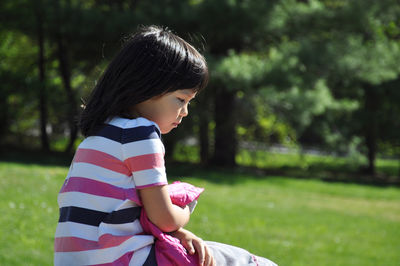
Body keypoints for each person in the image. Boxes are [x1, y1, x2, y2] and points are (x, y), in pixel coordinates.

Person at [54, 25, 277, 266]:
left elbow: (121, 217)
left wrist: (177, 234)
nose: (185, 112)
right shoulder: (140, 133)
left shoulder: (97, 136)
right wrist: (186, 211)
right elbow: (164, 218)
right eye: (181, 99)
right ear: (146, 86)